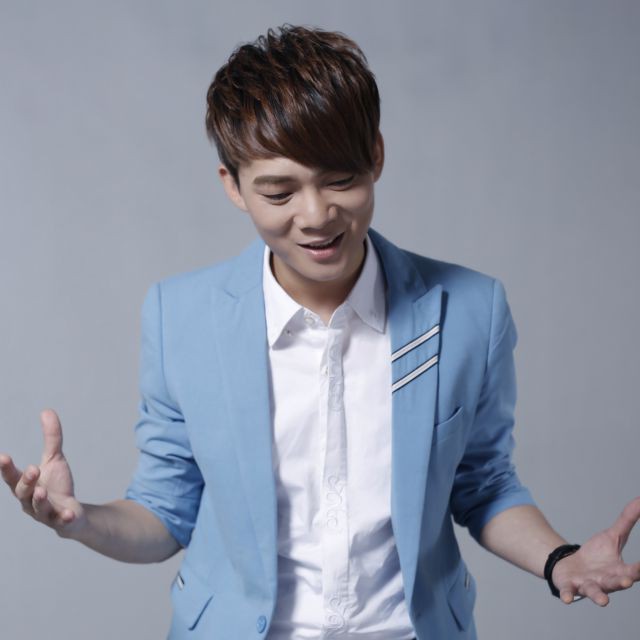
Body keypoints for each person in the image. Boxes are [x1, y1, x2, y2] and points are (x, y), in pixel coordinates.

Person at [1, 24, 638, 640]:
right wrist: (80, 521)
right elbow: (165, 513)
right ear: (233, 186)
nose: (316, 215)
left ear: (376, 156)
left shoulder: (472, 310)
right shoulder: (180, 317)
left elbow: (484, 486)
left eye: (339, 179)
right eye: (279, 193)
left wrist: (561, 560)